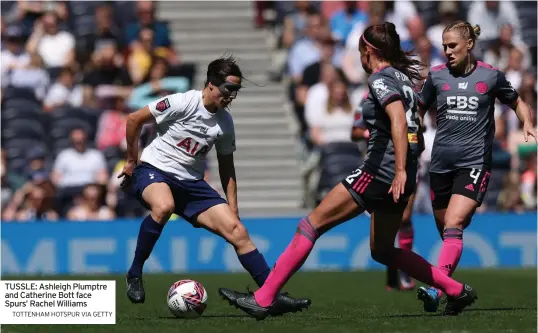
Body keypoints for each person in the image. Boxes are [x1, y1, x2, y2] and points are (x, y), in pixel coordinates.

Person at [219, 23, 477, 320]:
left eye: (360, 53)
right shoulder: (405, 80)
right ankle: (455, 289)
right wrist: (405, 170)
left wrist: (399, 170)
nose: (360, 60)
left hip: (381, 173)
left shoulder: (381, 79)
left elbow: (397, 120)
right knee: (382, 250)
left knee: (310, 225)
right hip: (399, 176)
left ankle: (264, 298)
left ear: (370, 51)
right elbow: (411, 122)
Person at [119, 56, 310, 316]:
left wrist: (233, 208)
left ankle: (271, 295)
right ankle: (135, 273)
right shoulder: (182, 102)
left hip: (192, 184)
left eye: (236, 91)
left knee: (238, 232)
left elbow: (227, 168)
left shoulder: (225, 123)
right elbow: (134, 119)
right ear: (210, 85)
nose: (231, 96)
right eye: (228, 89)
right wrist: (132, 161)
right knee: (164, 207)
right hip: (155, 170)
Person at [415, 21, 536, 313]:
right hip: (440, 165)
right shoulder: (437, 76)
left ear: (469, 44)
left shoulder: (490, 76)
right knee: (447, 233)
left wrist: (528, 123)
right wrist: (415, 132)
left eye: (452, 45)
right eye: (444, 46)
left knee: (454, 224)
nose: (447, 51)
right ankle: (457, 295)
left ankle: (435, 289)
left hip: (474, 164)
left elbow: (517, 101)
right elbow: (418, 107)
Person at [352, 92, 417, 292]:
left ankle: (403, 273)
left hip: (407, 163)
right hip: (378, 167)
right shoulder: (366, 98)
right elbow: (354, 131)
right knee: (381, 222)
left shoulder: (407, 94)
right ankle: (392, 274)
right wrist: (371, 132)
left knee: (404, 217)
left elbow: (415, 126)